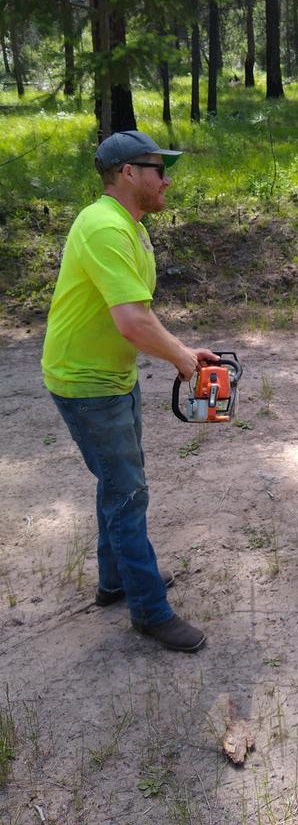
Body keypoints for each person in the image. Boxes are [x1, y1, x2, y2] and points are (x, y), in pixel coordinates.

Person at [42, 130, 219, 653]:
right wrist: (182, 361)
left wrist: (184, 349)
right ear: (127, 174)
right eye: (157, 168)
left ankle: (115, 582)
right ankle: (149, 611)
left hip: (112, 378)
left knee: (118, 484)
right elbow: (131, 323)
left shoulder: (129, 227)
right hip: (86, 384)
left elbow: (138, 313)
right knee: (128, 493)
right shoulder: (103, 228)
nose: (166, 178)